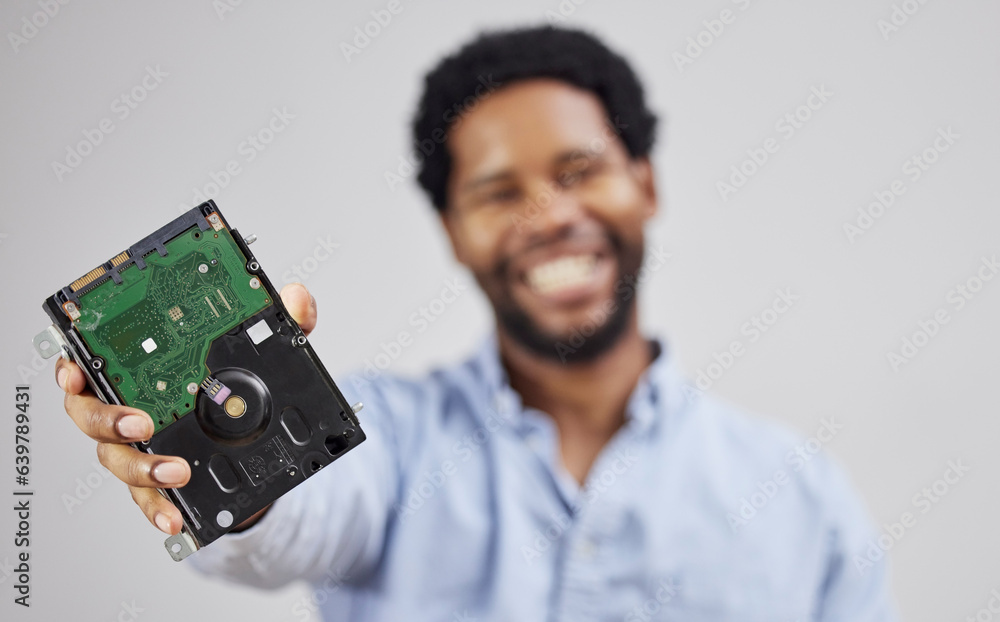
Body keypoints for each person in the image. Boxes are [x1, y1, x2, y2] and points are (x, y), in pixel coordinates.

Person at [54, 25, 898, 621]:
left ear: (645, 183)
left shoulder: (798, 495)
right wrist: (224, 441)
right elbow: (295, 522)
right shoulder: (385, 439)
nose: (548, 215)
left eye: (581, 170)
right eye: (498, 193)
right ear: (454, 230)